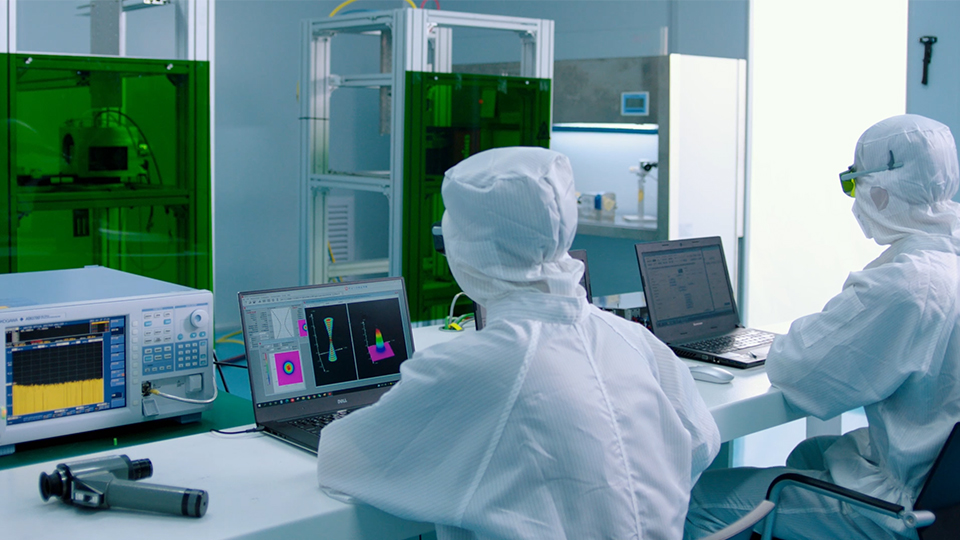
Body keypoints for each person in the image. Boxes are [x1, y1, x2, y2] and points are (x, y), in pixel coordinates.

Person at [317, 146, 720, 540]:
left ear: (466, 248)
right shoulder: (633, 340)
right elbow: (701, 443)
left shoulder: (471, 366)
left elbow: (346, 460)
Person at [684, 114, 960, 540]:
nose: (855, 199)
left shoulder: (907, 284)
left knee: (696, 502)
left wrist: (804, 336)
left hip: (906, 506)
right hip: (944, 484)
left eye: (853, 183)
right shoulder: (945, 257)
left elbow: (802, 374)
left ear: (881, 191)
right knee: (812, 452)